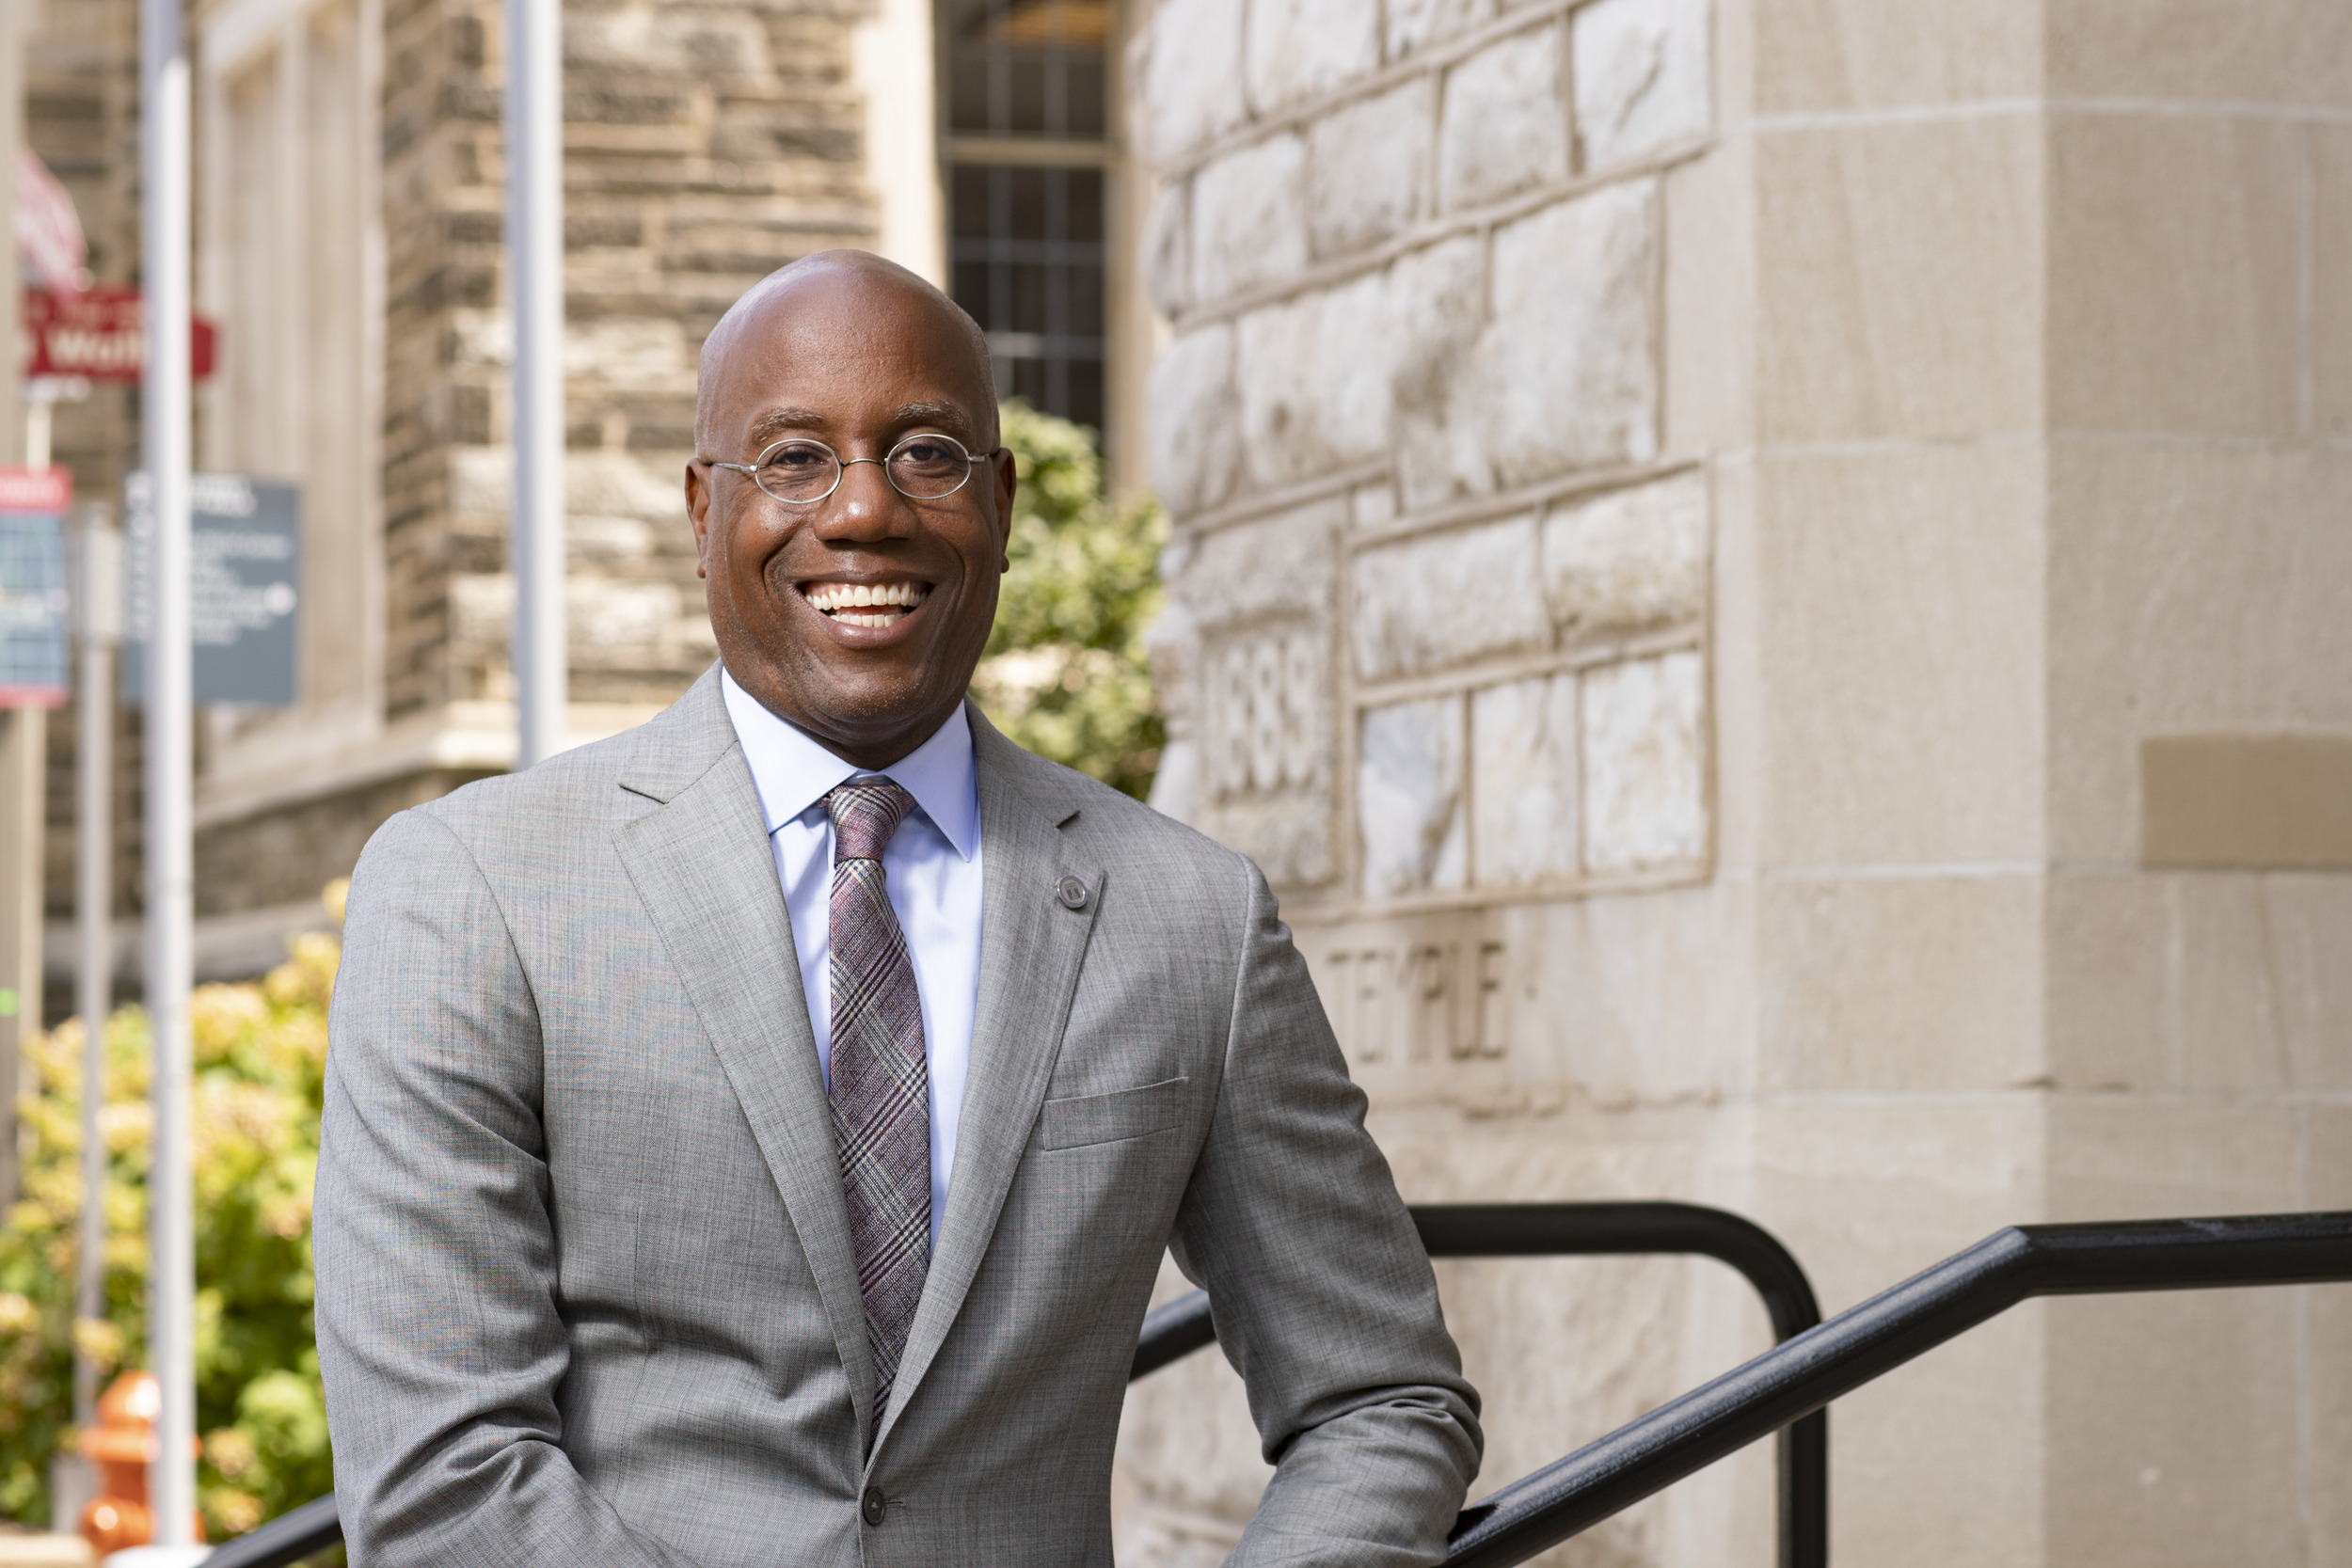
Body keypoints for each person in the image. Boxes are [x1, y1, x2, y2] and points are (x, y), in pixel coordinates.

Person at [314, 250, 1482, 1567]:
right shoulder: (474, 888)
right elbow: (441, 1476)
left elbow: (1383, 1398)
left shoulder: (1191, 916)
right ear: (706, 510)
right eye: (796, 458)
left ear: (1001, 501)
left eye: (926, 453)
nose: (865, 510)